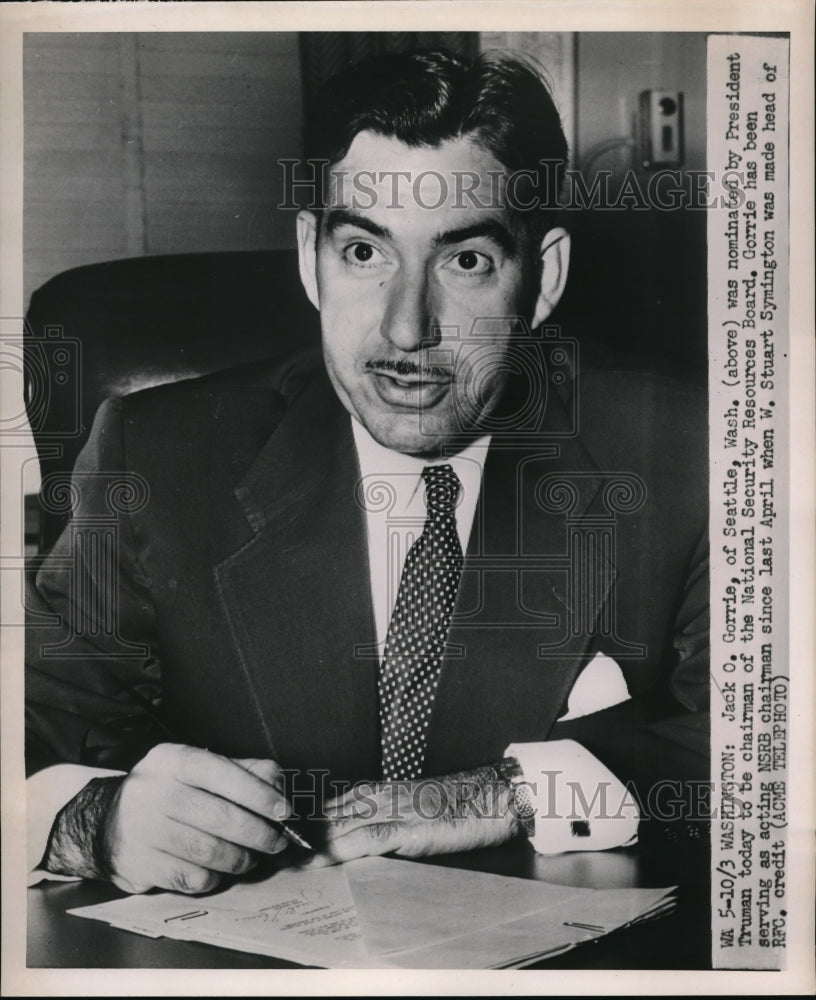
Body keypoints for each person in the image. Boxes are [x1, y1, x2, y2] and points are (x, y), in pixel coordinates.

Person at [26, 49, 709, 896]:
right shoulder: (158, 456)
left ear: (542, 280)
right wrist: (90, 822)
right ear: (312, 254)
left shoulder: (685, 450)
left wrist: (517, 789)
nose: (406, 327)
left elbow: (766, 736)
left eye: (464, 261)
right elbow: (27, 722)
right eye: (364, 251)